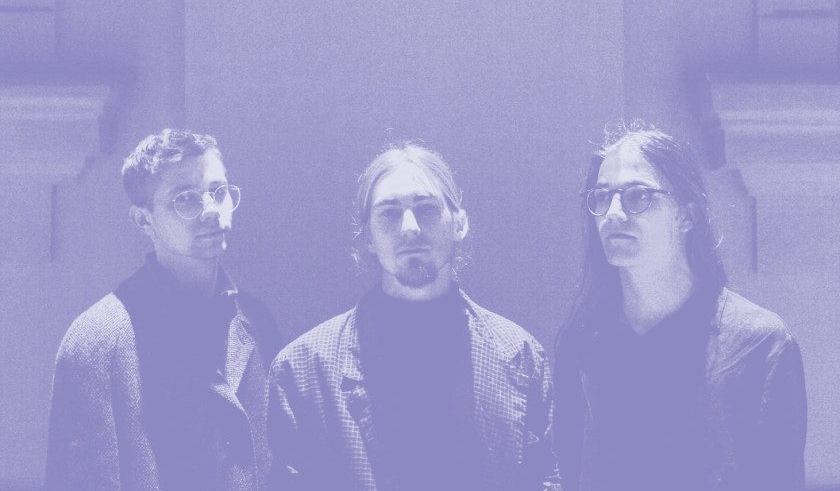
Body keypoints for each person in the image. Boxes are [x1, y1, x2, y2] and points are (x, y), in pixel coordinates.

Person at [267, 142, 562, 491]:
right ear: (368, 236)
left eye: (426, 209)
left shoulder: (520, 356)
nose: (409, 227)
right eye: (390, 213)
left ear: (460, 224)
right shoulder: (303, 370)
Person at [553, 121, 807, 491]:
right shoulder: (582, 343)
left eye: (638, 196)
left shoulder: (761, 343)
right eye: (602, 197)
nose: (613, 213)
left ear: (687, 215)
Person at [45, 129, 282, 491]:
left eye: (218, 192)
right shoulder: (97, 340)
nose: (211, 210)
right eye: (185, 199)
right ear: (144, 220)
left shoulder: (256, 321)